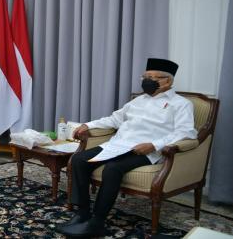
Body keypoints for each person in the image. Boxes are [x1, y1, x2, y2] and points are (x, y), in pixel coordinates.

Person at [57, 58, 197, 237]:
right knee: (79, 159)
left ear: (168, 81)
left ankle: (97, 222)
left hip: (146, 150)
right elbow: (114, 119)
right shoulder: (137, 101)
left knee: (113, 169)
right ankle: (82, 213)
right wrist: (88, 125)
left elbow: (187, 132)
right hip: (118, 145)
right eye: (145, 76)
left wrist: (154, 145)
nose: (148, 81)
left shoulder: (182, 104)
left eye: (154, 77)